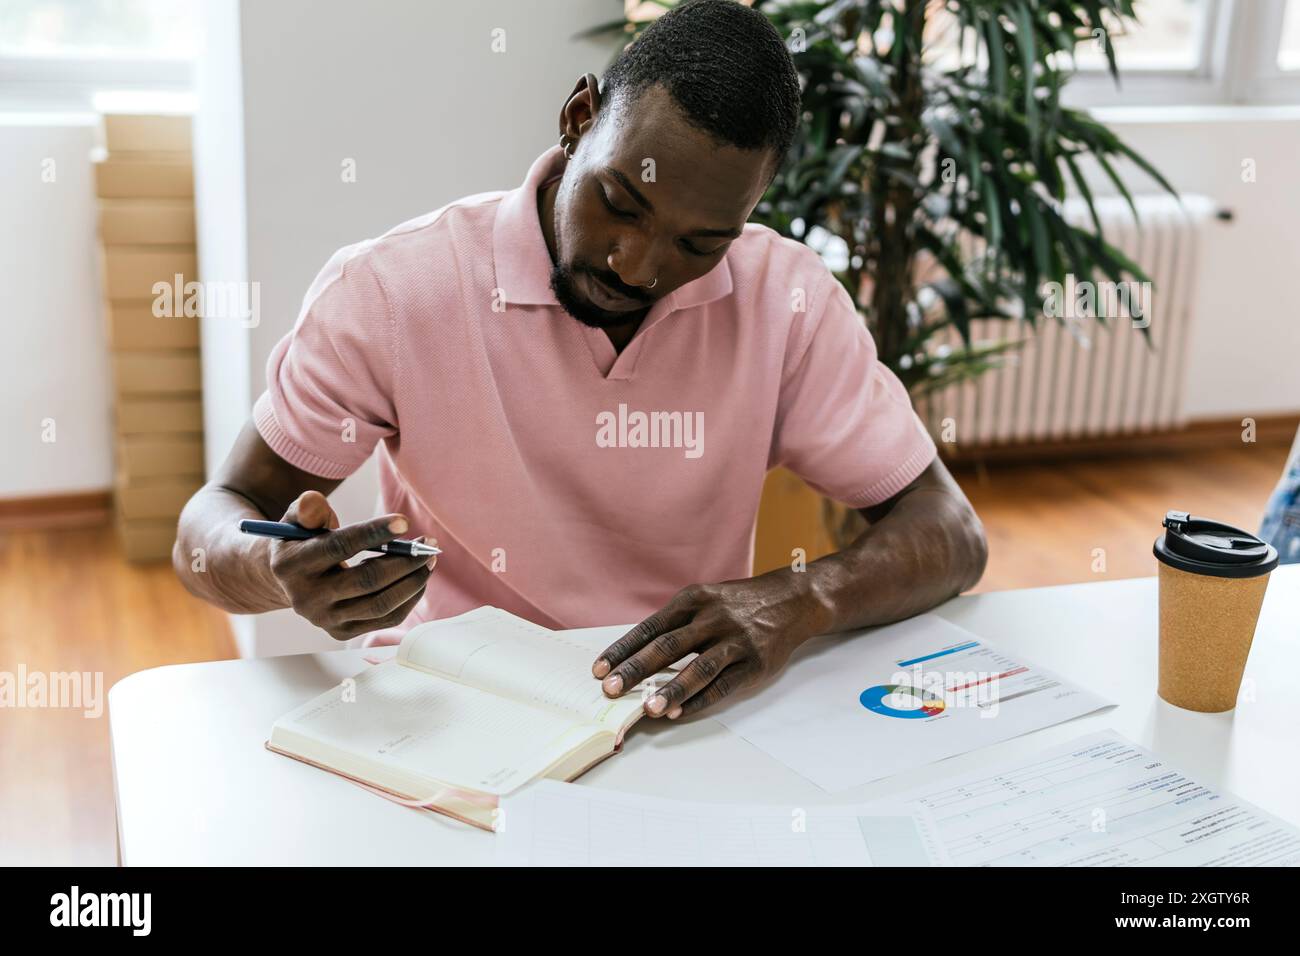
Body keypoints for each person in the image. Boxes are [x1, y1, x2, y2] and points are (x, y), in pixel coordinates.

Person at [174, 0, 987, 721]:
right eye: (619, 203)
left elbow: (950, 532)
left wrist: (801, 597)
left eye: (699, 243)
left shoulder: (787, 301)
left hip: (676, 710)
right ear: (578, 117)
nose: (637, 266)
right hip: (451, 708)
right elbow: (212, 520)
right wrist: (279, 572)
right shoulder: (394, 291)